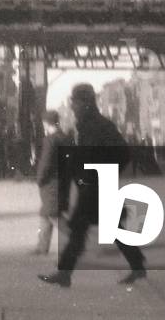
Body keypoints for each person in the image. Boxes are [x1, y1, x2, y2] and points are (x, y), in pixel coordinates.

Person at [38, 84, 146, 288]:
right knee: (106, 228)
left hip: (96, 187)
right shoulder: (89, 124)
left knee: (81, 229)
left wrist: (104, 171)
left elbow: (123, 152)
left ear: (86, 103)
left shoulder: (97, 125)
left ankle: (65, 273)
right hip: (94, 187)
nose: (73, 107)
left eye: (76, 102)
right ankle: (137, 266)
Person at [33, 110, 70, 255]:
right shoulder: (66, 138)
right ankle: (42, 246)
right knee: (46, 213)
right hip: (63, 181)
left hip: (51, 183)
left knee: (53, 214)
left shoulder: (50, 140)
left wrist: (40, 178)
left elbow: (45, 163)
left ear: (46, 123)